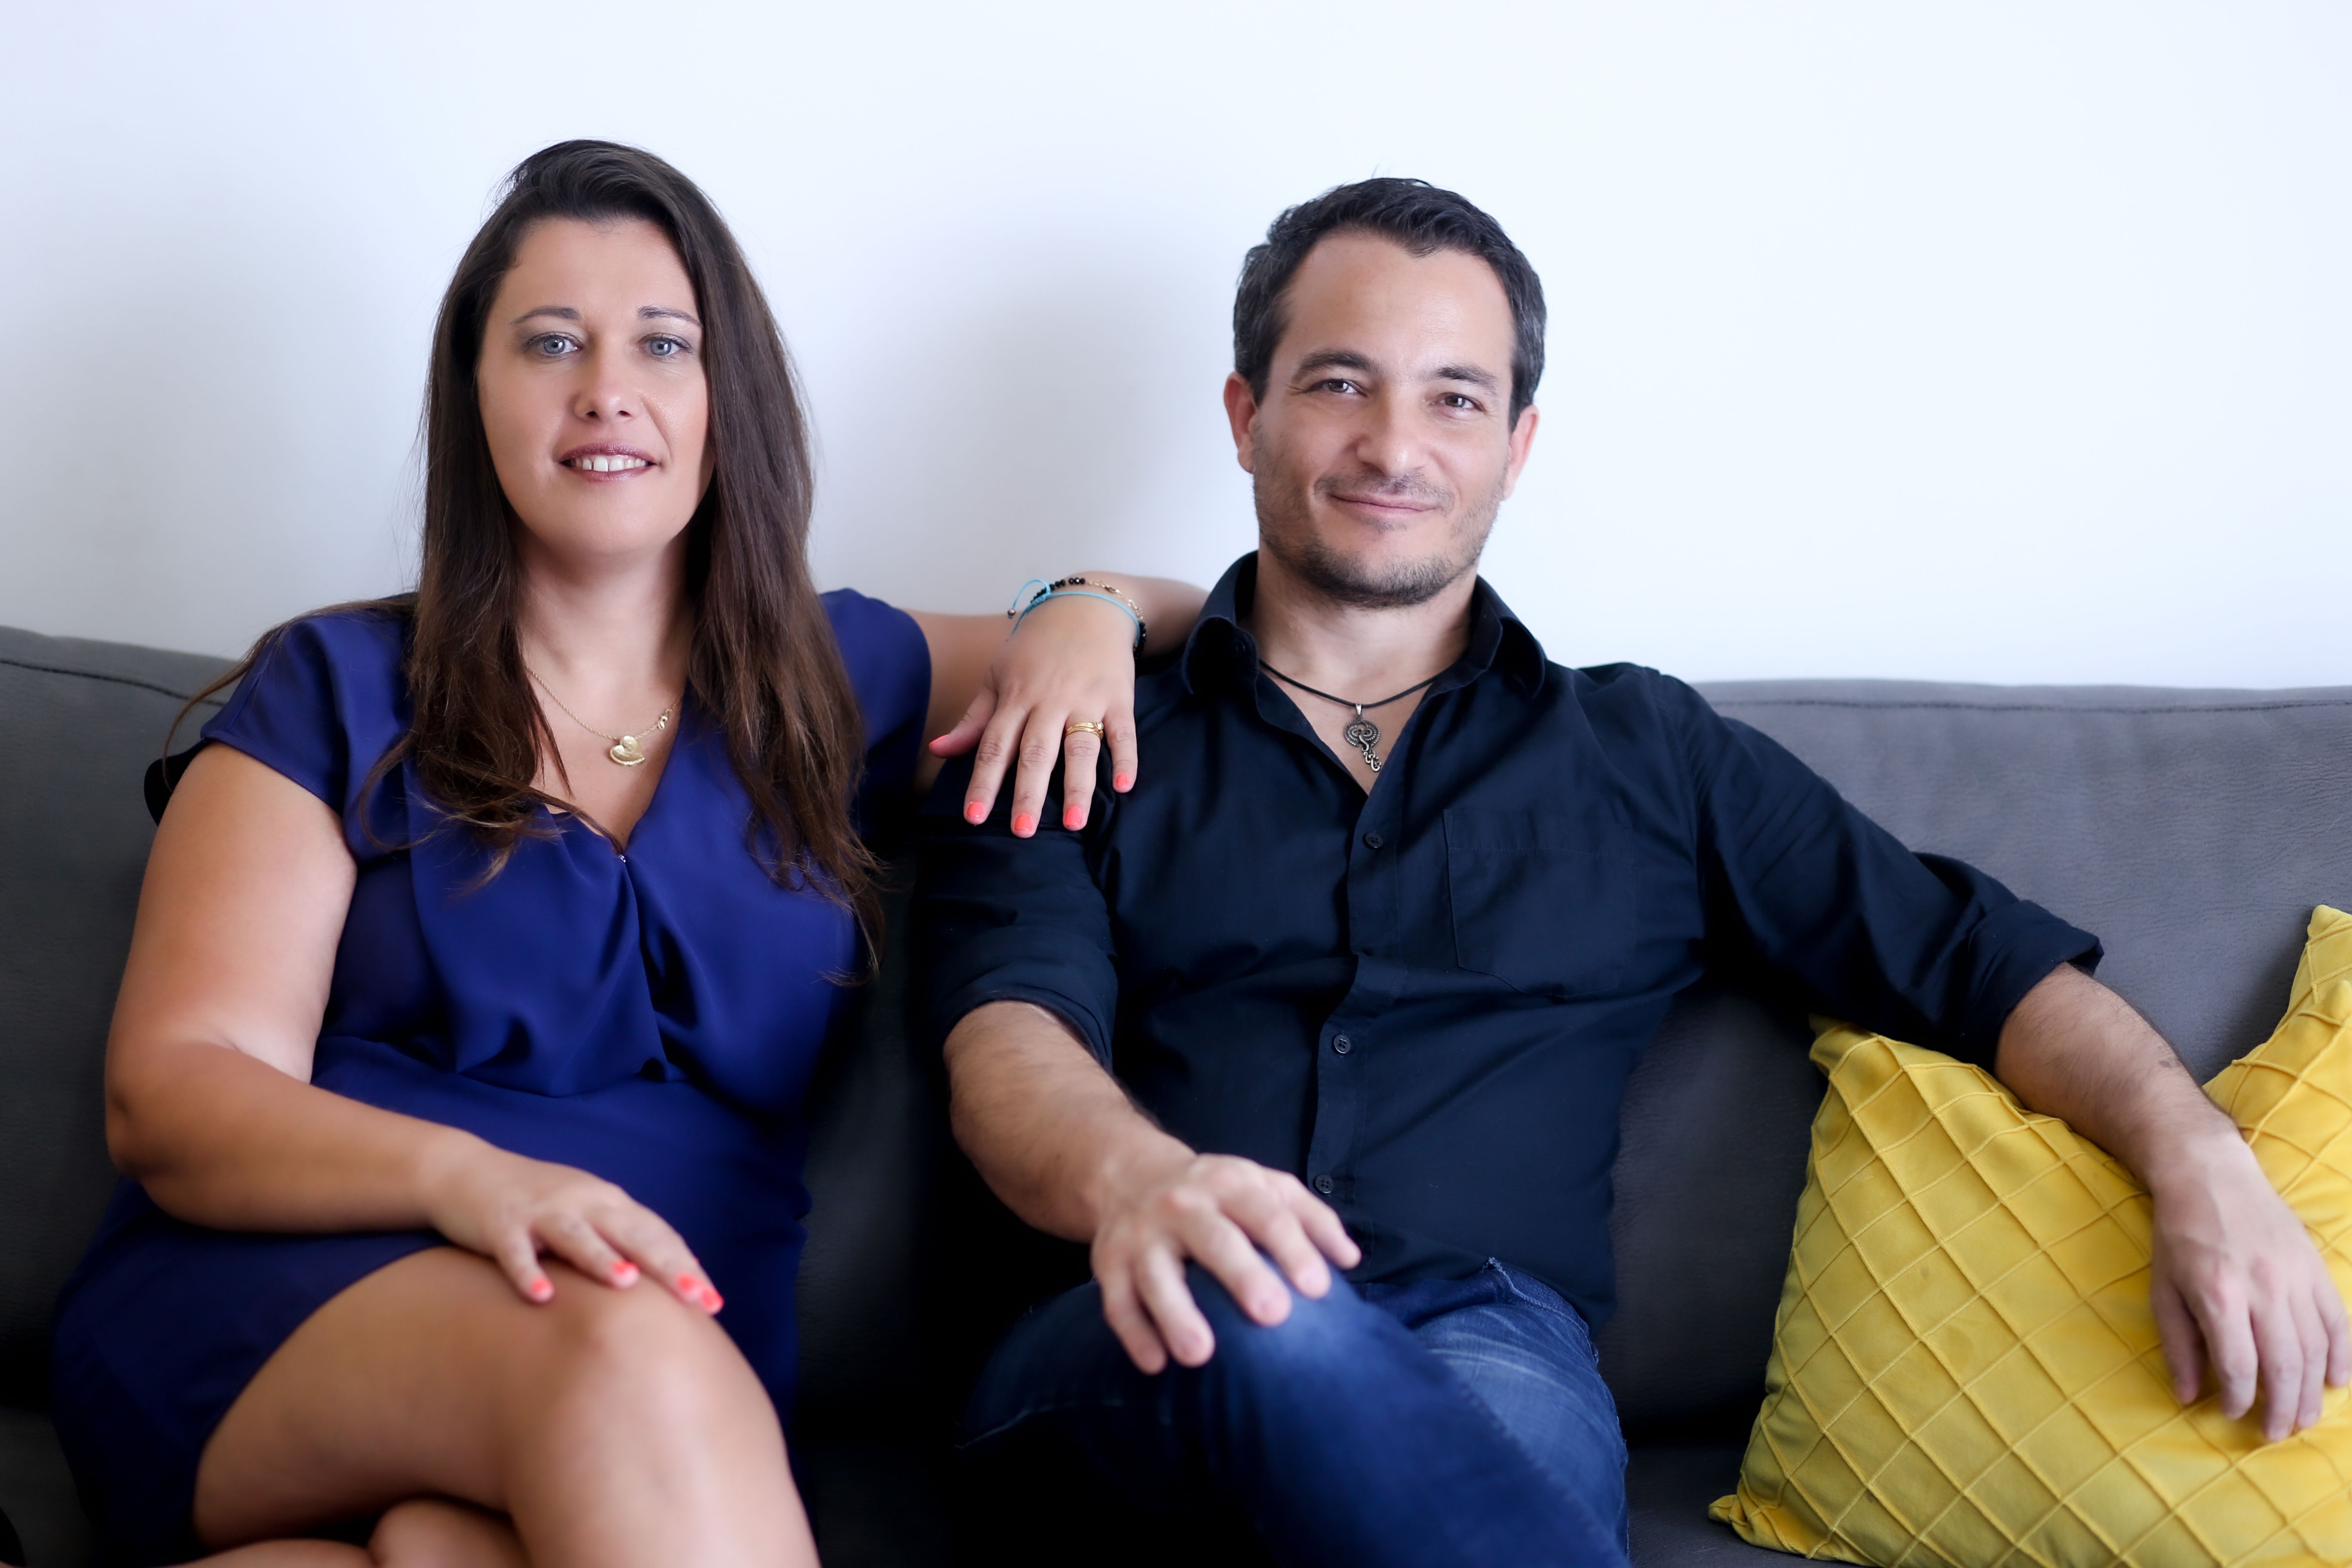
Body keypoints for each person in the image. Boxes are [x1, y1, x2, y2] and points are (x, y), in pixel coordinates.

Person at [916, 177, 2352, 1568]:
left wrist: (2199, 1157)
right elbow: (1007, 1040)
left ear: (1518, 444)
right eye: (1340, 384)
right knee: (1272, 1321)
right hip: (1141, 1329)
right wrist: (1152, 1186)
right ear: (1248, 416)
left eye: (1455, 398)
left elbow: (1972, 963)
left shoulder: (1647, 754)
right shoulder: (1079, 724)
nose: (1394, 446)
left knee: (1472, 1432)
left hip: (1492, 1341)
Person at [49, 140, 1202, 1568]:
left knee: (451, 1549)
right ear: (475, 396)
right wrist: (476, 1182)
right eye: (550, 343)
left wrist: (1086, 605)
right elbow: (176, 1090)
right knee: (619, 1352)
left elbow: (1202, 624)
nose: (607, 388)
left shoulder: (839, 680)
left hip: (670, 1339)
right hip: (305, 1302)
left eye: (664, 343)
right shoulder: (334, 685)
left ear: (730, 400)